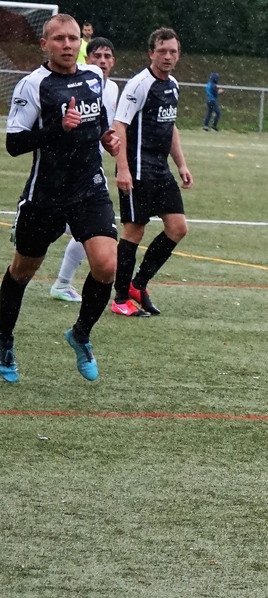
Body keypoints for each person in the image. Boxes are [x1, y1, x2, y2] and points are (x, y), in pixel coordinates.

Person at [1, 14, 120, 383]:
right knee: (22, 271)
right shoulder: (32, 85)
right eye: (59, 39)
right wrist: (57, 128)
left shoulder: (93, 76)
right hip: (46, 194)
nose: (67, 45)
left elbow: (98, 119)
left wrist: (107, 137)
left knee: (107, 266)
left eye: (72, 38)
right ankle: (3, 340)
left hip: (89, 188)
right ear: (45, 44)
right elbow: (14, 144)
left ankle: (80, 334)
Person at [110, 27, 193, 317]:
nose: (168, 56)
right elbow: (119, 125)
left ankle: (138, 284)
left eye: (173, 51)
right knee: (134, 230)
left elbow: (170, 127)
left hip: (160, 168)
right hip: (137, 168)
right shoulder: (139, 84)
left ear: (178, 55)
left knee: (178, 228)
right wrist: (123, 169)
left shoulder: (173, 85)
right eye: (162, 51)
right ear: (151, 53)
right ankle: (120, 298)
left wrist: (181, 164)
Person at [50, 37, 119, 303]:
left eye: (107, 56)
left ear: (113, 61)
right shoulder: (74, 86)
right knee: (45, 232)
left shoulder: (113, 89)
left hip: (91, 171)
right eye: (97, 56)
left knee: (94, 229)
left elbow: (108, 126)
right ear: (87, 60)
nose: (102, 61)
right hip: (61, 170)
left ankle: (62, 283)